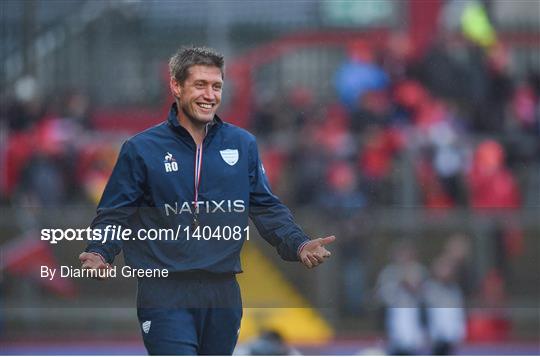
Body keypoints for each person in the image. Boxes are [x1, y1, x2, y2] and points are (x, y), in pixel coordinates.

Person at [78, 46, 335, 355]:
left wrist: (298, 243)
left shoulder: (242, 144)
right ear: (176, 86)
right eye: (200, 85)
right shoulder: (141, 148)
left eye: (217, 86)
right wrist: (100, 250)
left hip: (223, 290)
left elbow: (267, 208)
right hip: (164, 289)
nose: (210, 95)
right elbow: (115, 212)